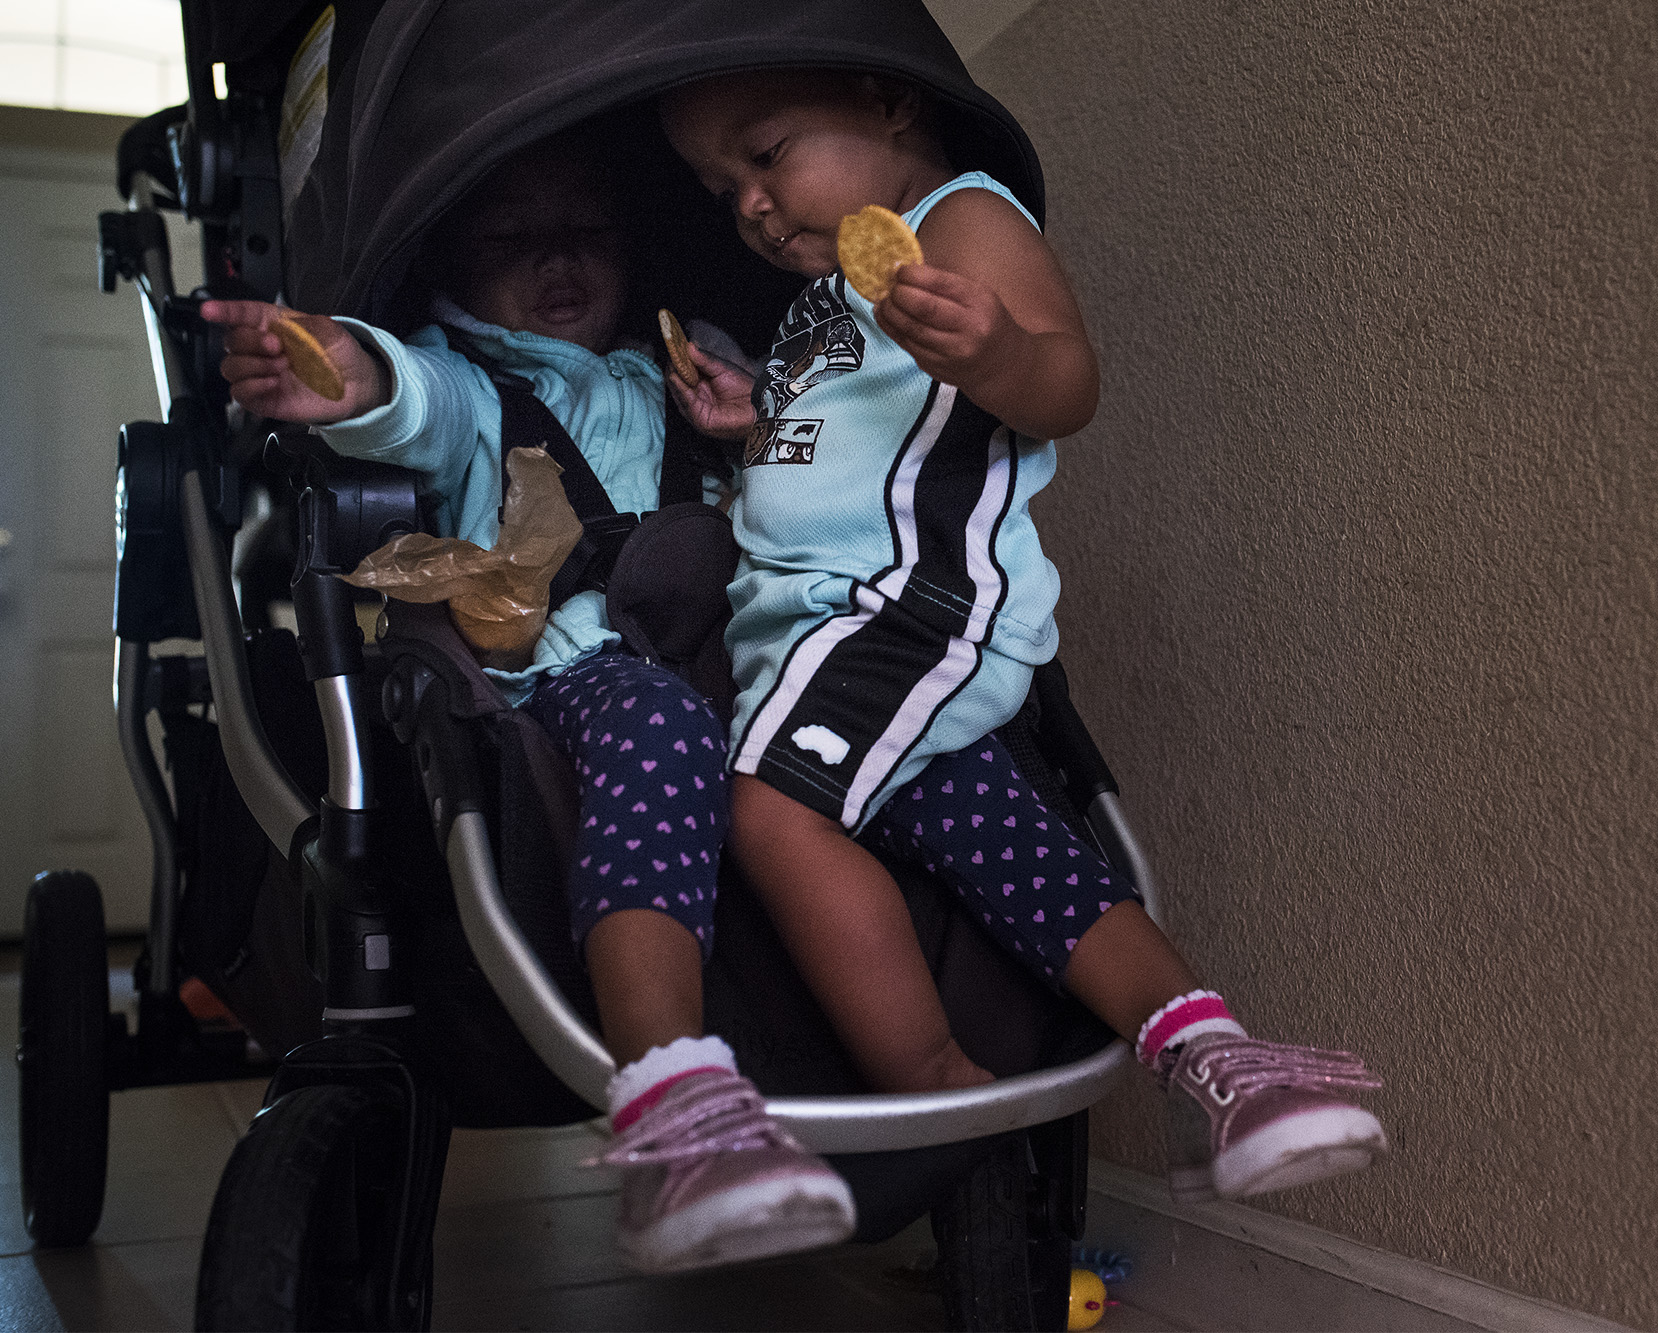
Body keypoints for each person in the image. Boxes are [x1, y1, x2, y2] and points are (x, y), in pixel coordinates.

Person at [662, 70, 1389, 1204]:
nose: (752, 203)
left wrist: (998, 355)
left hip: (899, 608)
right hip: (831, 628)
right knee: (1011, 848)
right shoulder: (824, 296)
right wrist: (756, 420)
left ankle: (935, 1088)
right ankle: (1227, 1066)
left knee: (770, 808)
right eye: (723, 189)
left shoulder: (960, 217)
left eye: (768, 154)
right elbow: (867, 429)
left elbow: (1063, 381)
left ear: (885, 102)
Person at [200, 129, 859, 1274]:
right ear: (455, 259)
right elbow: (397, 401)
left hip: (737, 660)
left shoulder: (679, 361)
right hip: (573, 671)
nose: (557, 263)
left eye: (586, 235)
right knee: (661, 725)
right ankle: (671, 1101)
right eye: (513, 240)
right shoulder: (466, 377)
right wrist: (338, 366)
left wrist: (753, 423)